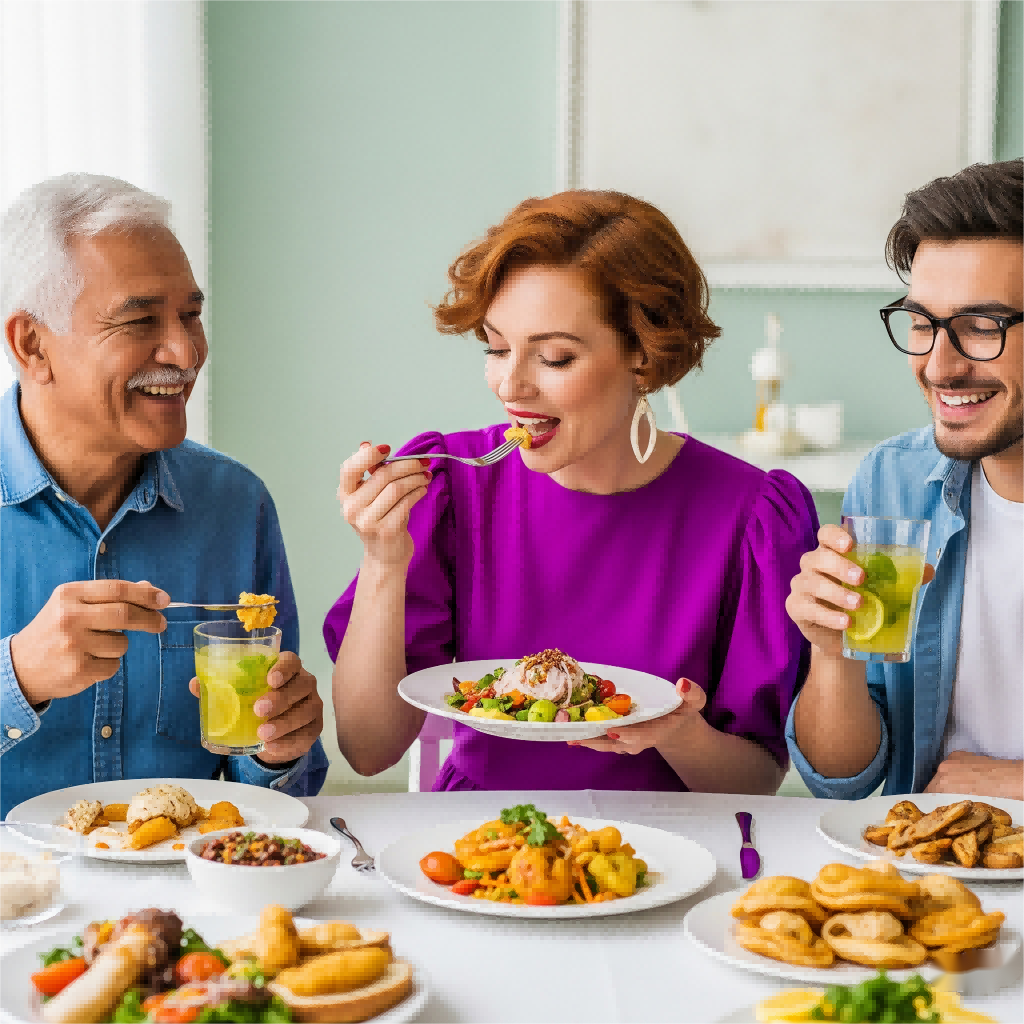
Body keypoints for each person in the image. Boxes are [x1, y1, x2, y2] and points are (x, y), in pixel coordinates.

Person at [326, 190, 818, 793]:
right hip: (479, 852)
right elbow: (367, 748)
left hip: (672, 858)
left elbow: (755, 783)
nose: (511, 385)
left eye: (555, 357)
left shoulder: (750, 516)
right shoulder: (452, 487)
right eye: (496, 347)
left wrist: (679, 733)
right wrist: (383, 561)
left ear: (642, 355)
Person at [0, 173, 327, 817]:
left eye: (191, 314)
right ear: (32, 346)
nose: (184, 350)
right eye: (138, 320)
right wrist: (19, 679)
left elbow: (285, 791)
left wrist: (278, 752)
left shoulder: (237, 504)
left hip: (188, 898)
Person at [786, 158, 1024, 800]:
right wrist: (831, 655)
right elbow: (843, 779)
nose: (939, 366)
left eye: (982, 327)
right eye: (922, 324)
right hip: (930, 877)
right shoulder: (895, 481)